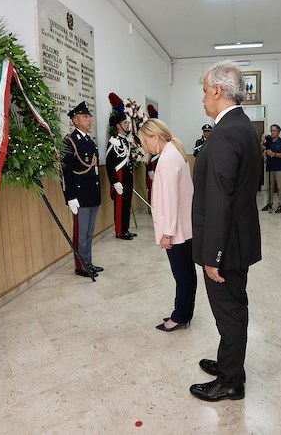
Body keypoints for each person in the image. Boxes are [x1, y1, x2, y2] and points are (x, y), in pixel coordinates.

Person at [190, 60, 261, 402]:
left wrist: (213, 255)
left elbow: (219, 199)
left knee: (229, 312)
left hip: (225, 246)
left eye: (205, 91)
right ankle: (229, 363)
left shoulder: (223, 134)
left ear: (217, 91)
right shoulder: (243, 126)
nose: (203, 98)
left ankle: (231, 381)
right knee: (234, 307)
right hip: (239, 239)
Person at [138, 119, 196, 332]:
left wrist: (168, 233)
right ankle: (184, 312)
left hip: (177, 230)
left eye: (145, 140)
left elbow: (171, 199)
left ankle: (180, 316)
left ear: (155, 136)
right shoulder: (173, 152)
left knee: (182, 276)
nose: (145, 146)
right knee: (186, 274)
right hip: (183, 226)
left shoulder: (168, 158)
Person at [61, 101, 103, 277]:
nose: (89, 119)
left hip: (92, 194)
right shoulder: (70, 142)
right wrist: (69, 196)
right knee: (81, 234)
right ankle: (81, 266)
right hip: (79, 196)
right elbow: (65, 172)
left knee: (89, 233)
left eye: (89, 116)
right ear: (75, 120)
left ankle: (89, 262)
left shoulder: (88, 141)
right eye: (85, 116)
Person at [106, 111, 136, 240]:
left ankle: (125, 229)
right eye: (125, 123)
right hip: (119, 179)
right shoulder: (114, 142)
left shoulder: (125, 141)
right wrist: (114, 181)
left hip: (127, 178)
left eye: (128, 123)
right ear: (118, 125)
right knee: (120, 206)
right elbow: (109, 164)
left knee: (127, 204)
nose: (127, 125)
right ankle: (119, 231)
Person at [261, 124, 281, 213]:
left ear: (278, 132)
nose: (272, 132)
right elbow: (261, 148)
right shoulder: (268, 141)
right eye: (271, 130)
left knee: (280, 187)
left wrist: (273, 154)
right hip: (269, 167)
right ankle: (269, 203)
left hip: (280, 168)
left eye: (274, 131)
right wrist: (262, 141)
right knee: (269, 187)